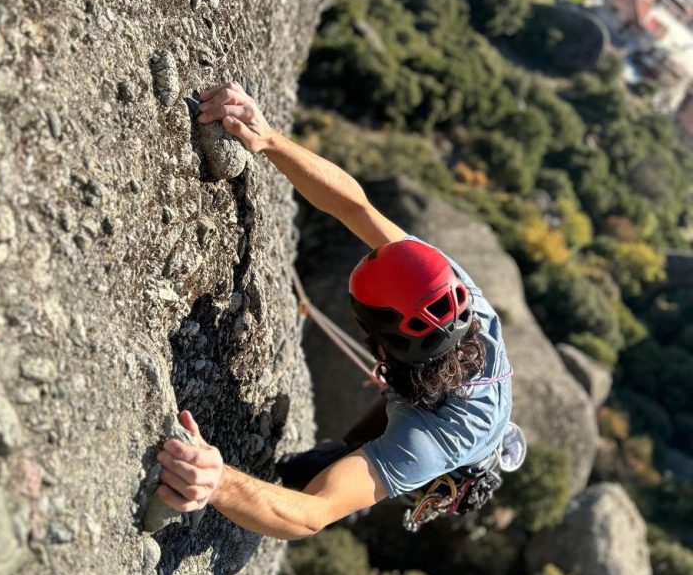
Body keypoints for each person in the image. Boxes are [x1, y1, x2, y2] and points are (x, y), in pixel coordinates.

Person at [155, 81, 515, 540]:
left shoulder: (431, 439)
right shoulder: (438, 279)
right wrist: (269, 139)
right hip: (439, 390)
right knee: (344, 448)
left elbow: (313, 513)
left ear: (382, 344)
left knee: (311, 476)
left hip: (458, 451)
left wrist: (217, 482)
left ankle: (353, 463)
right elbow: (353, 206)